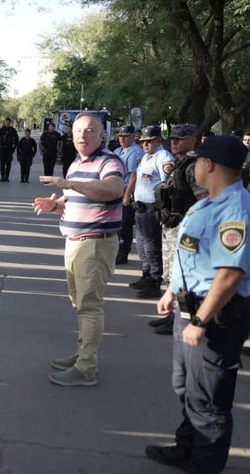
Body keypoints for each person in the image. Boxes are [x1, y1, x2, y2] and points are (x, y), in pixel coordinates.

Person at [147, 135, 250, 474]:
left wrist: (201, 321)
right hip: (190, 310)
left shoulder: (234, 209)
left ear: (209, 165)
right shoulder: (210, 203)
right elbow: (193, 254)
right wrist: (172, 292)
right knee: (186, 386)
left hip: (215, 318)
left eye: (198, 161)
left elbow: (229, 274)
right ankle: (186, 448)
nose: (194, 167)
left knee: (209, 403)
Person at [33, 112, 124, 386]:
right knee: (80, 304)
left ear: (101, 135)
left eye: (90, 131)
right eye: (78, 131)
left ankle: (86, 368)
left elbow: (112, 189)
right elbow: (77, 196)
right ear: (71, 135)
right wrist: (58, 204)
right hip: (75, 242)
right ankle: (83, 354)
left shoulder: (110, 161)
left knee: (89, 306)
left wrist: (68, 184)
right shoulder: (76, 163)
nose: (83, 135)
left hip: (95, 243)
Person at [148, 124, 208, 334]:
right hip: (172, 225)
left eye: (180, 139)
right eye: (172, 138)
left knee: (182, 275)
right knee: (169, 272)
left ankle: (184, 319)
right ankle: (172, 316)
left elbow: (203, 201)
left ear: (193, 140)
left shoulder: (193, 166)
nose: (174, 142)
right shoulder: (178, 164)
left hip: (185, 227)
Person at [131, 125, 175, 299]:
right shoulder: (146, 157)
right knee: (141, 246)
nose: (146, 144)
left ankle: (155, 281)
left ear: (159, 140)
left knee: (151, 247)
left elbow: (167, 185)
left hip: (152, 209)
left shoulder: (163, 157)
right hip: (141, 208)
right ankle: (147, 274)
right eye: (143, 141)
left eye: (149, 141)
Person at [113, 125, 142, 265]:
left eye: (126, 136)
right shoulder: (117, 151)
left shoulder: (135, 152)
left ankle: (123, 251)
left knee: (125, 223)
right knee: (115, 221)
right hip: (114, 189)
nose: (122, 138)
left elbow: (133, 176)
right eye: (120, 136)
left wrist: (127, 195)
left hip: (126, 190)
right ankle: (116, 249)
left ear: (133, 136)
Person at [0, 117, 19, 182]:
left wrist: (14, 148)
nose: (7, 123)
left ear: (10, 122)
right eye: (6, 121)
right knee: (2, 163)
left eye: (9, 121)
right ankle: (2, 176)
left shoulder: (12, 130)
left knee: (8, 164)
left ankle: (7, 177)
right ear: (5, 122)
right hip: (2, 149)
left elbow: (17, 139)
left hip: (9, 149)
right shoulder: (1, 130)